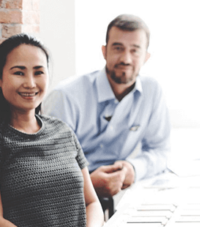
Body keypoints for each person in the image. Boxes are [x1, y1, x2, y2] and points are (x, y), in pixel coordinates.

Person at [0, 33, 151, 227]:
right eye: (19, 72)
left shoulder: (62, 131)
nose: (30, 82)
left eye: (38, 71)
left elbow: (92, 202)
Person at [46, 14, 171, 198]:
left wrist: (133, 169)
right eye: (118, 48)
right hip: (67, 197)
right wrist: (85, 183)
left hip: (120, 193)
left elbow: (160, 151)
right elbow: (48, 164)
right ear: (104, 51)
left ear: (146, 56)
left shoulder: (152, 92)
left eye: (135, 50)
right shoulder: (66, 96)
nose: (126, 59)